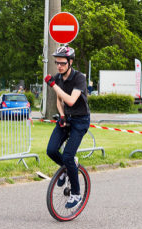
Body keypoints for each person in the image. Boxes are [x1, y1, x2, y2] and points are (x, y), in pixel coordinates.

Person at [45, 44, 90, 209]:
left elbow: (71, 100)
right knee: (51, 150)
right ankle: (66, 168)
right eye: (57, 63)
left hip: (80, 121)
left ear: (70, 62)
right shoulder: (58, 78)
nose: (59, 66)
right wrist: (62, 115)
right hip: (67, 118)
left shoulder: (79, 78)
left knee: (68, 156)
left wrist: (53, 85)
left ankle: (76, 194)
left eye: (62, 63)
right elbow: (60, 100)